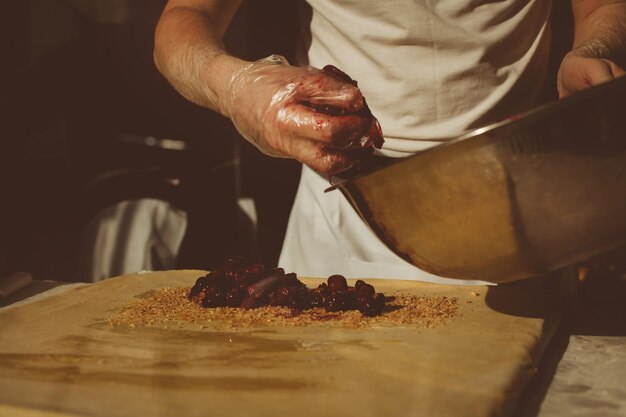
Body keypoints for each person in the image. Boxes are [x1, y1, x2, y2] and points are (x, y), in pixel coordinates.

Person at [153, 0, 626, 282]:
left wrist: (594, 48)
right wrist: (236, 87)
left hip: (520, 206)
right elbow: (185, 18)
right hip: (351, 206)